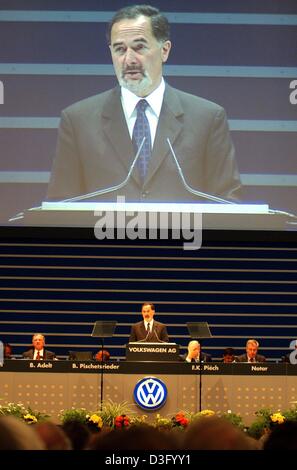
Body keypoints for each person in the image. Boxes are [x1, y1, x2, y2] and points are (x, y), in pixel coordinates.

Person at [47, 4, 241, 204]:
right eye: (119, 49)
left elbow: (227, 201)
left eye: (139, 47)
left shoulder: (207, 118)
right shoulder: (78, 121)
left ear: (164, 50)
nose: (129, 59)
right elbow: (61, 204)